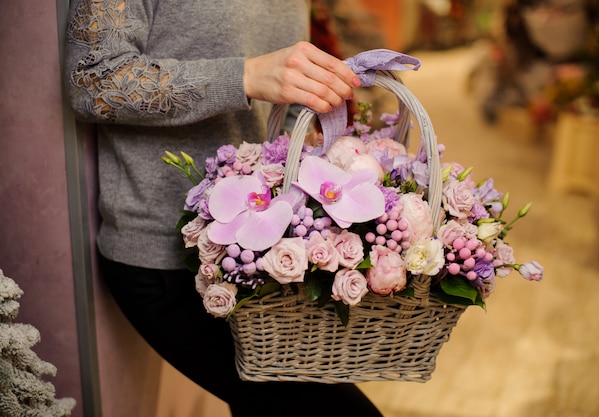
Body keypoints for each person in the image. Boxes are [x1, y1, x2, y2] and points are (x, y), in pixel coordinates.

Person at [63, 0, 384, 416]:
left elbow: (283, 105)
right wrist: (245, 75)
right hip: (168, 261)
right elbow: (92, 79)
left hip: (264, 259)